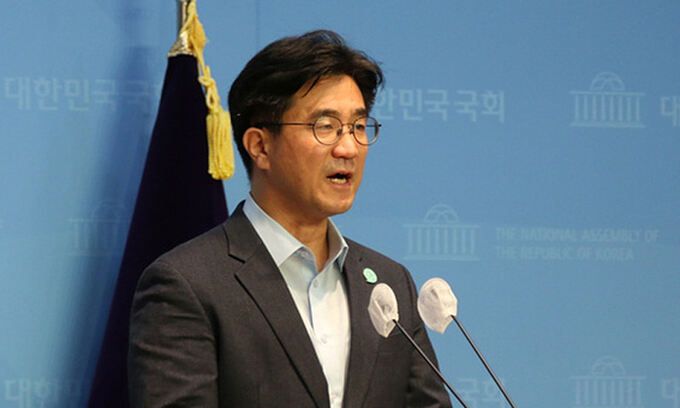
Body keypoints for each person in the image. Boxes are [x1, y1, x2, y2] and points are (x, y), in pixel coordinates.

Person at [128, 30, 451, 408]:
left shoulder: (390, 282)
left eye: (359, 126)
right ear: (260, 146)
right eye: (325, 126)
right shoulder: (188, 285)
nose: (349, 147)